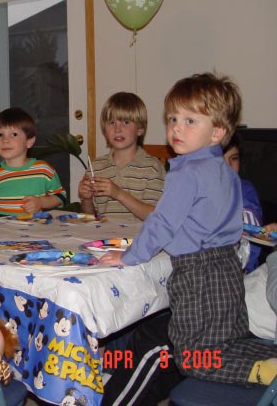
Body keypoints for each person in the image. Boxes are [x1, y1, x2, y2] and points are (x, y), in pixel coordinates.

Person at [100, 72, 277, 386]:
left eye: (190, 121)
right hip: (229, 268)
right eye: (172, 119)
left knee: (192, 356)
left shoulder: (186, 173)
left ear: (217, 132)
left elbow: (162, 223)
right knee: (228, 340)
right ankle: (265, 360)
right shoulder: (226, 171)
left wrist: (129, 257)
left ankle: (262, 371)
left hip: (198, 273)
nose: (176, 128)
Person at [0, 107, 66, 219]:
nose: (5, 140)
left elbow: (60, 197)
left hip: (31, 228)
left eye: (13, 134)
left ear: (29, 141)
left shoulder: (43, 169)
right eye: (0, 135)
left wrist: (41, 202)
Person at [79, 92, 165, 221]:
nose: (117, 129)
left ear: (140, 129)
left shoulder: (152, 168)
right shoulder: (96, 167)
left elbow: (156, 216)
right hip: (104, 233)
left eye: (126, 122)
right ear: (104, 130)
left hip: (140, 234)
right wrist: (86, 199)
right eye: (112, 122)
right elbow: (90, 218)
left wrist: (118, 194)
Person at [223, 132, 264, 272]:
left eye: (234, 158)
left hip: (240, 268)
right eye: (220, 159)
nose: (228, 165)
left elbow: (253, 230)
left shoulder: (244, 189)